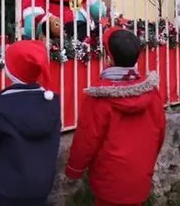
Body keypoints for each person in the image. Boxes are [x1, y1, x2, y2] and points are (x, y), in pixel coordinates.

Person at [65, 26, 166, 206]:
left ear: (109, 57)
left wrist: (74, 170)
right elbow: (159, 132)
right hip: (140, 176)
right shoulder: (152, 93)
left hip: (109, 180)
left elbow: (86, 138)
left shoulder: (99, 98)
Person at [0, 40, 61, 206]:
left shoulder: (0, 108)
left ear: (11, 71)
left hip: (8, 187)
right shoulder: (51, 104)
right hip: (42, 185)